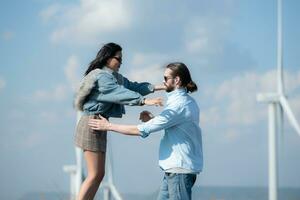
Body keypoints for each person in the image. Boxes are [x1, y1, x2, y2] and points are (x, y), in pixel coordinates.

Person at [88, 62, 203, 200]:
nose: (163, 81)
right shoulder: (187, 102)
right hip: (173, 171)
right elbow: (176, 128)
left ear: (177, 80)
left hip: (179, 171)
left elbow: (141, 130)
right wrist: (153, 119)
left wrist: (108, 126)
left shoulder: (179, 105)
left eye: (166, 78)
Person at [73, 42, 165, 200]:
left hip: (99, 123)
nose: (121, 62)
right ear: (108, 58)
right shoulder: (101, 76)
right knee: (94, 174)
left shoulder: (115, 77)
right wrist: (144, 102)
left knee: (99, 174)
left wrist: (161, 86)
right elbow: (119, 93)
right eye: (118, 59)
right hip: (91, 123)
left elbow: (133, 86)